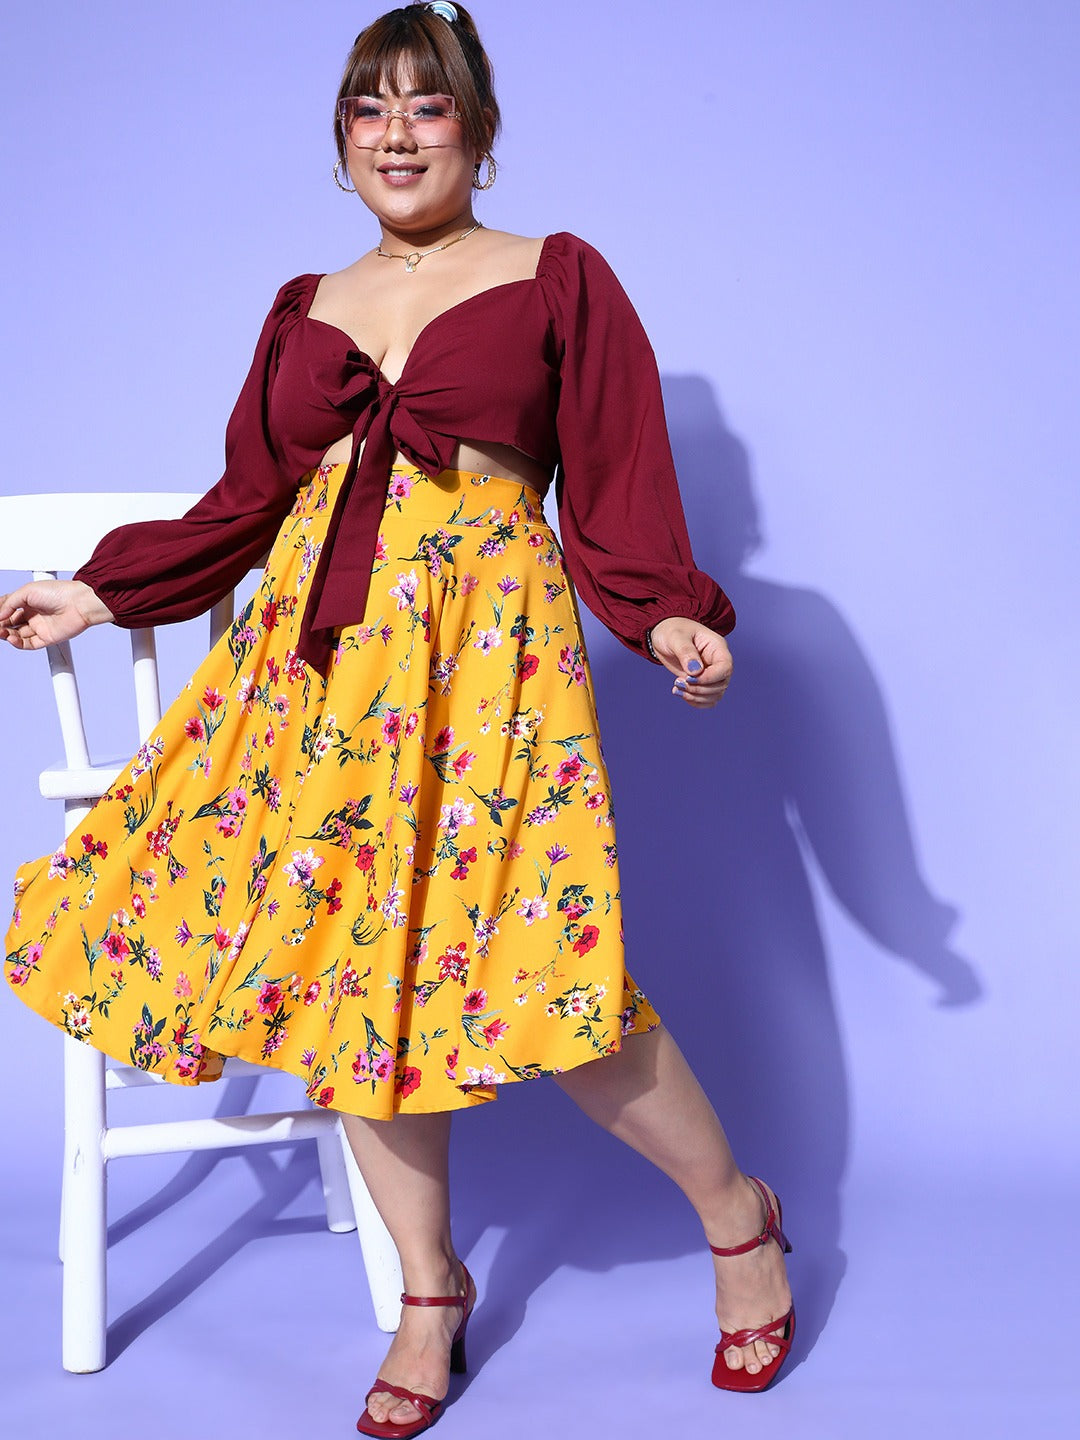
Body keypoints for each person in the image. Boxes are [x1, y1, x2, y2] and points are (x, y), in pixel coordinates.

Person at [0, 2, 794, 1432]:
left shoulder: (555, 276)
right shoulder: (305, 305)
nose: (398, 134)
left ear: (477, 131)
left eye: (427, 106)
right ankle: (432, 1293)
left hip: (488, 660)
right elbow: (247, 500)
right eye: (370, 109)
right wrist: (106, 593)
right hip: (318, 668)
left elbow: (616, 478)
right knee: (340, 978)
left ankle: (739, 1220)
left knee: (556, 978)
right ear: (341, 142)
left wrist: (668, 615)